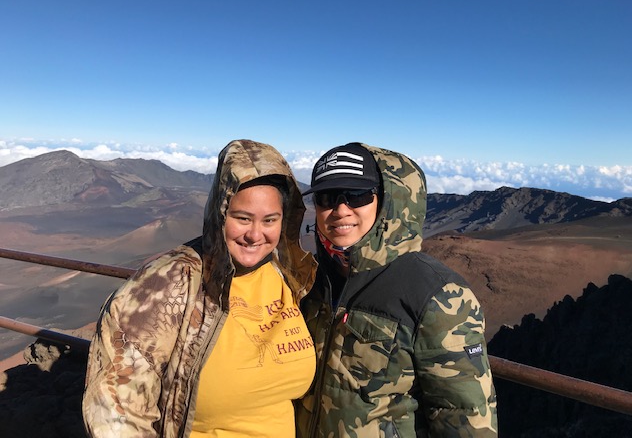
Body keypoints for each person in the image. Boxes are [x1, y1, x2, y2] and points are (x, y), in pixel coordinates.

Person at [82, 139, 317, 438]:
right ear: (220, 214)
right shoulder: (166, 286)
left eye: (269, 220)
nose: (255, 234)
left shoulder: (291, 276)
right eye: (242, 218)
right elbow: (115, 412)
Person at [296, 142, 498, 437]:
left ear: (389, 201)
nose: (340, 209)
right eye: (327, 197)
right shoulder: (309, 279)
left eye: (357, 195)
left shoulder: (437, 297)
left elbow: (465, 419)